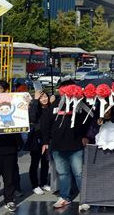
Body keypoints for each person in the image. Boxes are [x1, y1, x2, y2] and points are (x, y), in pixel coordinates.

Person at [41, 80, 91, 210]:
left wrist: (85, 136)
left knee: (79, 173)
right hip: (57, 146)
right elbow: (46, 124)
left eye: (68, 88)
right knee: (63, 174)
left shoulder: (80, 103)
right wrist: (46, 142)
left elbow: (87, 121)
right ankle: (64, 197)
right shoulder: (55, 105)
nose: (65, 91)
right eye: (62, 88)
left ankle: (85, 199)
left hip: (75, 146)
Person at [0, 82, 20, 212]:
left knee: (9, 178)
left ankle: (9, 200)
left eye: (0, 89)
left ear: (6, 91)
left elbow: (23, 117)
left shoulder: (14, 103)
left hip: (9, 148)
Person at [27, 90, 52, 195]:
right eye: (41, 97)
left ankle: (43, 183)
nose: (44, 99)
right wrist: (35, 100)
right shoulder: (35, 109)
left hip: (48, 140)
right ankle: (35, 185)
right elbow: (31, 117)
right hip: (36, 139)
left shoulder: (51, 109)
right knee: (35, 163)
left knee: (45, 162)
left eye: (45, 96)